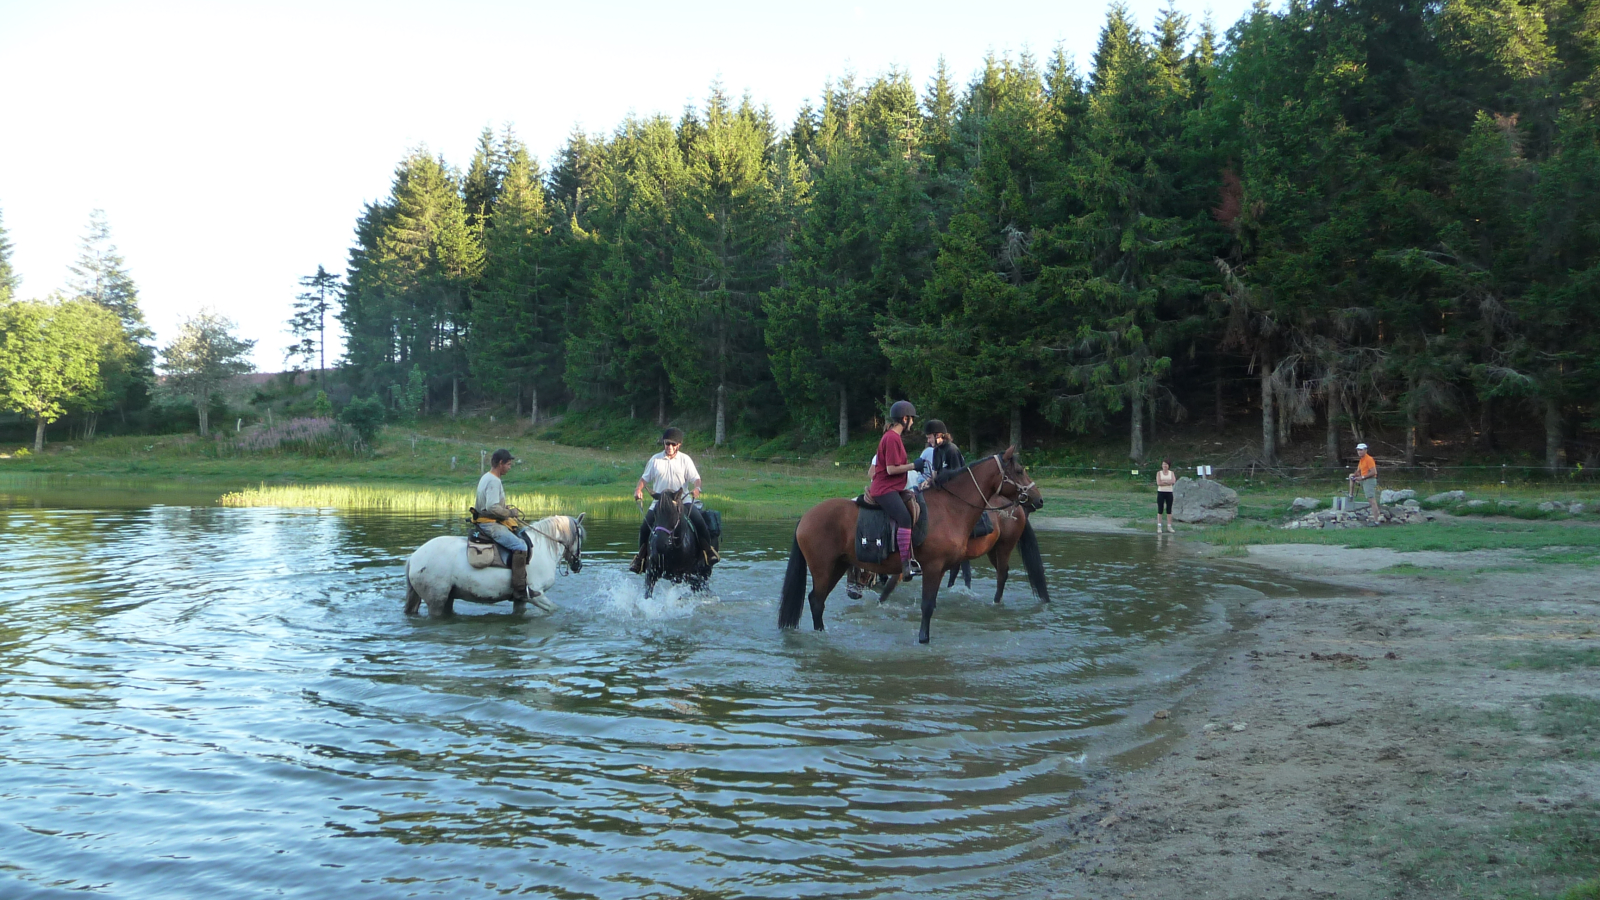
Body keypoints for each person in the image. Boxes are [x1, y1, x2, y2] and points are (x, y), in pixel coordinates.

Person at [630, 427, 719, 572]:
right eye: (667, 444)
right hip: (660, 503)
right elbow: (644, 479)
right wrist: (638, 489)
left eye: (672, 444)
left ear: (678, 445)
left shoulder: (685, 460)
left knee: (699, 522)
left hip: (682, 501)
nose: (669, 447)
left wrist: (697, 489)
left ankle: (707, 552)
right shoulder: (655, 459)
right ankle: (641, 559)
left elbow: (696, 478)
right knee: (644, 528)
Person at [869, 400, 925, 580]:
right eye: (912, 419)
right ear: (905, 418)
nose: (913, 423)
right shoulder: (892, 438)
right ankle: (905, 563)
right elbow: (891, 469)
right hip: (885, 488)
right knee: (905, 518)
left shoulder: (893, 437)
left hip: (892, 487)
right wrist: (913, 466)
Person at [475, 449, 534, 598]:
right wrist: (510, 513)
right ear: (500, 463)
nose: (509, 467)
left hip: (487, 520)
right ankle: (520, 589)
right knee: (520, 545)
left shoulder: (487, 477)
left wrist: (504, 509)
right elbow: (492, 507)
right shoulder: (494, 481)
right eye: (508, 464)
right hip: (489, 524)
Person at [925, 420, 967, 486]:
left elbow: (957, 476)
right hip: (943, 487)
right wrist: (927, 481)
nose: (928, 441)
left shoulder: (952, 450)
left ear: (938, 435)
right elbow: (935, 472)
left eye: (929, 437)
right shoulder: (936, 450)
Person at [1350, 442, 1380, 521]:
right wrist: (1354, 475)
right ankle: (1351, 495)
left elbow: (1373, 472)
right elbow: (1358, 471)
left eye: (1361, 450)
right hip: (1363, 480)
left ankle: (1376, 520)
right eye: (1358, 450)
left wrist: (1362, 477)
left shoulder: (1369, 459)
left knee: (1371, 500)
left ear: (1365, 450)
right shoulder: (1361, 460)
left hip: (1369, 480)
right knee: (1351, 476)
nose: (1359, 452)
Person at [1155, 459, 1177, 533]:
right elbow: (1159, 482)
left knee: (1169, 510)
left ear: (1168, 466)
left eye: (1166, 464)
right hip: (1161, 492)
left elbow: (1173, 481)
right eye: (1163, 464)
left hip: (1169, 492)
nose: (1164, 466)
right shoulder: (1159, 473)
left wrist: (1165, 482)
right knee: (1160, 509)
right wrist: (1168, 482)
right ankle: (1159, 526)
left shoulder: (1171, 473)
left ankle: (1169, 526)